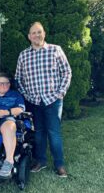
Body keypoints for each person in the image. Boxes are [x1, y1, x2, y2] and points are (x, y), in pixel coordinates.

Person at [15, 22, 72, 178]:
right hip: (34, 102)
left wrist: (61, 92)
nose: (36, 35)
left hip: (53, 100)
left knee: (54, 133)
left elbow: (67, 72)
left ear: (44, 33)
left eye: (39, 32)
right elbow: (18, 79)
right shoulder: (23, 55)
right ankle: (41, 161)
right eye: (33, 33)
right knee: (38, 133)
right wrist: (26, 95)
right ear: (29, 37)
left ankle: (59, 164)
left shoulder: (55, 50)